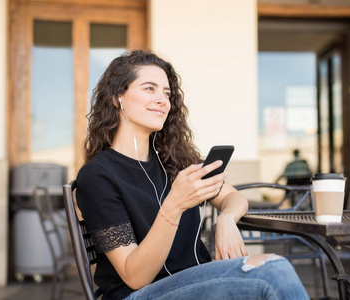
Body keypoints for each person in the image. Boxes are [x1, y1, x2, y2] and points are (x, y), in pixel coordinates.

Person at [76, 50, 309, 300]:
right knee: (272, 273)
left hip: (196, 280)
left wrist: (227, 219)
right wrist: (174, 205)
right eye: (149, 89)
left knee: (272, 268)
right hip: (140, 294)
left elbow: (234, 198)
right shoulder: (97, 176)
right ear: (116, 97)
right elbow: (135, 277)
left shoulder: (174, 160)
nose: (163, 100)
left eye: (166, 93)